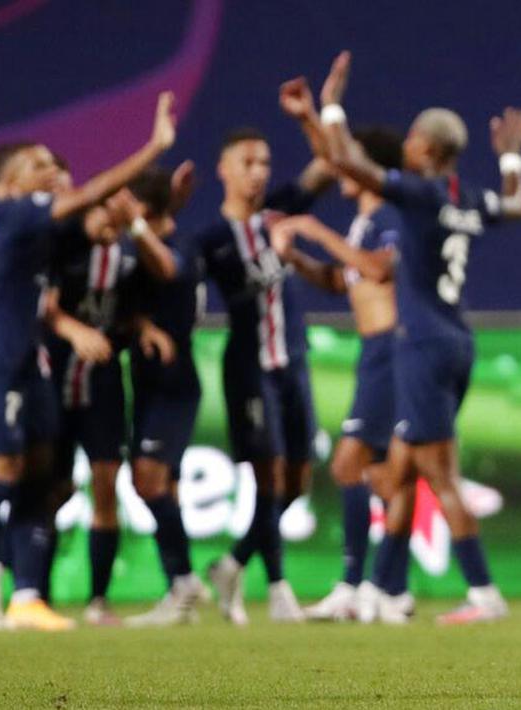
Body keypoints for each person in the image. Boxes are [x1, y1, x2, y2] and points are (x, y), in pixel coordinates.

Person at [0, 92, 178, 631]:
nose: (53, 171)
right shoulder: (15, 212)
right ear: (11, 179)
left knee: (42, 474)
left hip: (24, 360)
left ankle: (24, 596)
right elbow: (97, 192)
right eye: (39, 165)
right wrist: (154, 146)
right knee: (2, 473)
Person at [314, 51, 521, 624]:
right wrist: (510, 156)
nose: (406, 146)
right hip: (457, 339)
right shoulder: (469, 197)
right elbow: (518, 204)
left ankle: (484, 593)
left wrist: (331, 104)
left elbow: (345, 160)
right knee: (398, 471)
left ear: (428, 150)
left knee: (439, 474)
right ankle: (384, 591)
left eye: (412, 139)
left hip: (423, 344)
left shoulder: (421, 193)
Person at [275, 77, 411, 622]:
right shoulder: (364, 219)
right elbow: (345, 282)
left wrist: (310, 229)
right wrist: (300, 263)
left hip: (394, 349)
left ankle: (354, 585)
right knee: (384, 476)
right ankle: (391, 590)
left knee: (351, 464)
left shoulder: (391, 213)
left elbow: (377, 268)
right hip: (375, 350)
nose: (338, 172)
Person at [197, 127, 330, 625]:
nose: (259, 172)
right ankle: (277, 589)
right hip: (251, 369)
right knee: (269, 478)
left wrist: (310, 114)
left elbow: (327, 162)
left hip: (293, 361)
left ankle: (232, 563)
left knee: (296, 481)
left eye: (265, 162)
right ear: (224, 170)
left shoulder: (281, 212)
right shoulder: (212, 240)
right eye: (248, 162)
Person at [42, 175, 178, 626]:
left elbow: (155, 282)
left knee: (105, 484)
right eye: (111, 211)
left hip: (102, 383)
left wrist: (144, 327)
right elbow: (44, 305)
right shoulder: (64, 244)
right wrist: (73, 330)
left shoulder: (125, 255)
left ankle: (98, 600)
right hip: (56, 377)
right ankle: (31, 593)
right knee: (50, 488)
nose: (114, 222)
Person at [123, 164, 212, 627]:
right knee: (163, 488)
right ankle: (179, 589)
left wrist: (138, 220)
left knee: (148, 482)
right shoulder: (147, 242)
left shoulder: (180, 248)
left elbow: (168, 267)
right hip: (151, 383)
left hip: (174, 384)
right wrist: (141, 325)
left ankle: (183, 581)